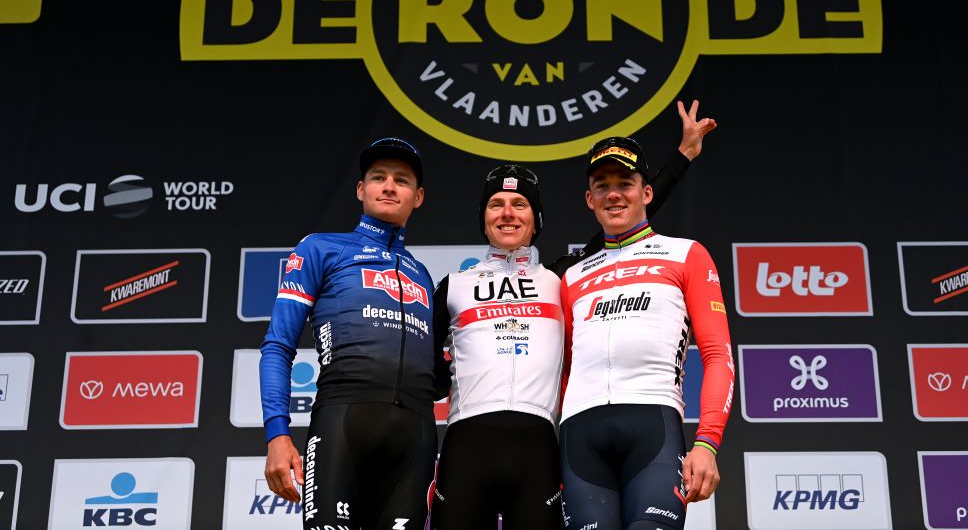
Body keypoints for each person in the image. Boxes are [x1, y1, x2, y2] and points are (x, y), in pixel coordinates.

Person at [429, 102, 717, 530]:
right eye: (496, 204)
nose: (508, 213)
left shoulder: (561, 277)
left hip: (540, 448)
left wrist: (683, 156)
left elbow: (627, 217)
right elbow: (429, 376)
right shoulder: (451, 285)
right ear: (483, 216)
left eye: (520, 204)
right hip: (466, 447)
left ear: (537, 218)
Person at [259, 137, 447, 530]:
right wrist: (277, 434)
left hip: (415, 437)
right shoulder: (321, 249)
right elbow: (278, 346)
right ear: (361, 190)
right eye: (378, 177)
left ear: (419, 196)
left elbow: (436, 378)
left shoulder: (422, 276)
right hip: (342, 424)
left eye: (402, 180)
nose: (390, 186)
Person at [558, 135, 734, 530]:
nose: (614, 195)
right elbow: (564, 372)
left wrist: (707, 442)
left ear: (647, 192)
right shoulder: (570, 277)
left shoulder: (686, 254)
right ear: (590, 199)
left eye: (625, 183)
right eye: (602, 186)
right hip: (579, 437)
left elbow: (717, 354)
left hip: (653, 427)